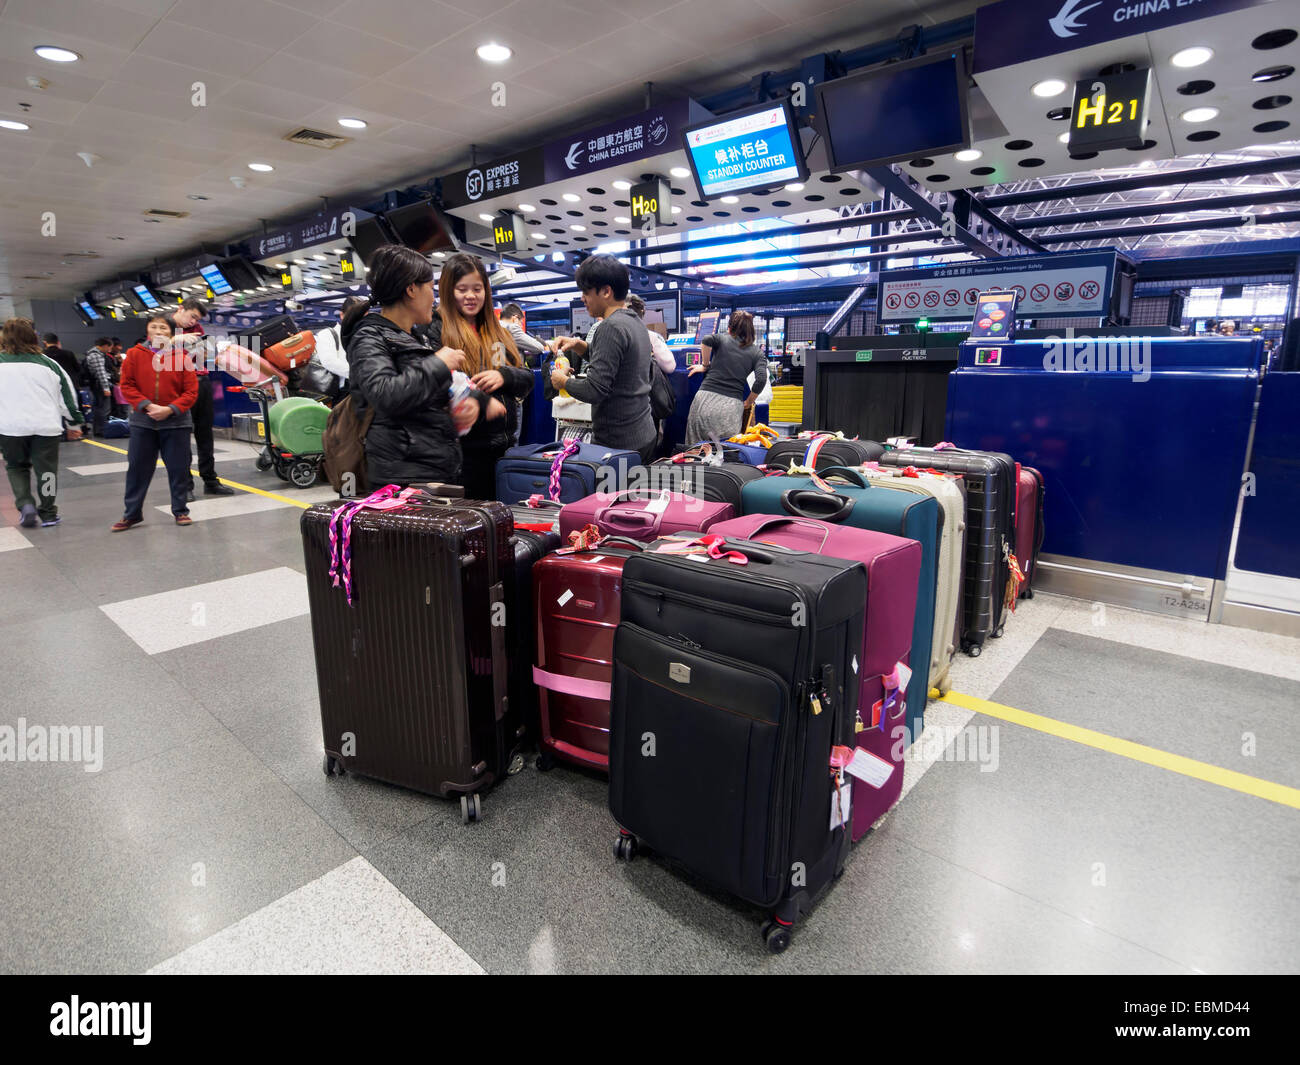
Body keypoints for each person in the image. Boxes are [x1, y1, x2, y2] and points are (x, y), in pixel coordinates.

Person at [343, 245, 503, 489]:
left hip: (432, 470)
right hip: (402, 479)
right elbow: (385, 394)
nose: (434, 297)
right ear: (411, 290)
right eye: (430, 288)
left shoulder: (415, 337)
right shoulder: (369, 337)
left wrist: (474, 401)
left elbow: (425, 393)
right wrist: (438, 363)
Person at [419, 253, 531, 499]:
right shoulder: (436, 329)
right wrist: (477, 400)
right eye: (462, 289)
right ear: (449, 290)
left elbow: (526, 379)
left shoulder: (496, 332)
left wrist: (505, 376)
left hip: (503, 452)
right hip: (463, 456)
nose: (471, 296)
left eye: (477, 289)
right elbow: (433, 386)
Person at [549, 255, 656, 463]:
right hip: (642, 434)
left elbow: (594, 390)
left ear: (606, 291)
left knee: (610, 496)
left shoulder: (610, 327)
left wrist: (562, 381)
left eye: (586, 292)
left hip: (617, 444)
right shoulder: (635, 323)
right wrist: (580, 346)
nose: (582, 298)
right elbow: (619, 363)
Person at [113, 315, 198, 531]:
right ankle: (131, 514)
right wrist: (149, 407)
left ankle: (181, 511)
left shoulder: (183, 357)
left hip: (176, 422)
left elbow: (191, 391)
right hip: (143, 422)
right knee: (138, 469)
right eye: (154, 327)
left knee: (179, 468)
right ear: (148, 330)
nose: (159, 331)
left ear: (171, 333)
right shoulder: (134, 354)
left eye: (163, 328)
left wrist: (170, 409)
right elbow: (127, 385)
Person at [0, 318, 84, 528]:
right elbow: (67, 397)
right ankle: (48, 513)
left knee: (16, 467)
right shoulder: (49, 364)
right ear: (33, 336)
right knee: (47, 472)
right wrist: (74, 425)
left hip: (10, 427)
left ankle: (25, 504)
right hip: (46, 427)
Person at [172, 298, 234, 500]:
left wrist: (203, 348)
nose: (193, 322)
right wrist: (176, 341)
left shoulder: (197, 328)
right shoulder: (164, 326)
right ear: (181, 309)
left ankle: (210, 480)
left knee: (205, 435)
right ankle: (185, 485)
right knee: (182, 438)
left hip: (201, 381)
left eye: (196, 319)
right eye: (192, 316)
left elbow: (202, 354)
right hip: (178, 386)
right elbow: (155, 352)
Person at [685, 310, 767, 445]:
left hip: (703, 401)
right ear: (751, 330)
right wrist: (748, 402)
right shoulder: (757, 353)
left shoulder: (721, 338)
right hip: (729, 409)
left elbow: (706, 340)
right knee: (723, 454)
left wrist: (705, 365)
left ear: (729, 328)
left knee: (694, 452)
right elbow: (761, 379)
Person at [82, 337, 115, 438]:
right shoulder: (96, 356)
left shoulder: (91, 354)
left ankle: (98, 430)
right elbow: (101, 373)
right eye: (109, 348)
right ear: (105, 346)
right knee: (104, 409)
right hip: (100, 385)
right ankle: (102, 430)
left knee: (98, 408)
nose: (110, 350)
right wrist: (106, 388)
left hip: (95, 385)